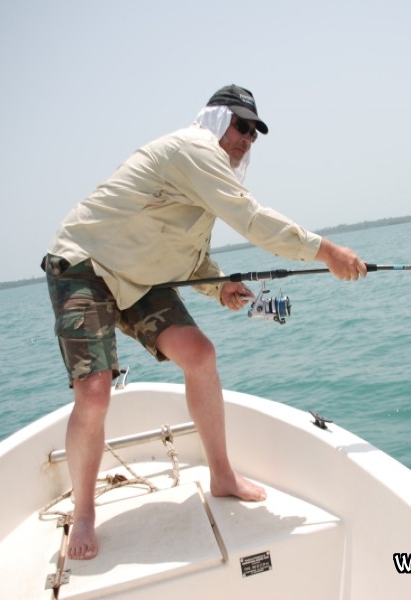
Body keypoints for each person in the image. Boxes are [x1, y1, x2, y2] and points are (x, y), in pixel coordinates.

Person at [43, 84, 367, 561]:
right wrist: (326, 250)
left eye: (255, 132)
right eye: (241, 126)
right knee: (94, 391)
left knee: (200, 354)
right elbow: (252, 219)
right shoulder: (193, 150)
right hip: (84, 266)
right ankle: (86, 511)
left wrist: (219, 287)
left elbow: (188, 254)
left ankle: (222, 474)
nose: (247, 138)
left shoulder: (204, 180)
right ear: (217, 121)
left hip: (141, 278)